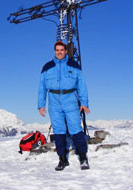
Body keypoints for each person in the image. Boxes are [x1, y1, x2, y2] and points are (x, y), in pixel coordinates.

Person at [38, 41, 90, 171]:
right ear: (54, 51)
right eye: (57, 50)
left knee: (75, 129)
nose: (59, 52)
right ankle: (62, 159)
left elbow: (81, 85)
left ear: (66, 51)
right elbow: (42, 88)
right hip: (54, 101)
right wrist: (41, 105)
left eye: (62, 50)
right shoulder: (47, 67)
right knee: (59, 130)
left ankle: (83, 158)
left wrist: (84, 103)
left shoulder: (74, 65)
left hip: (70, 100)